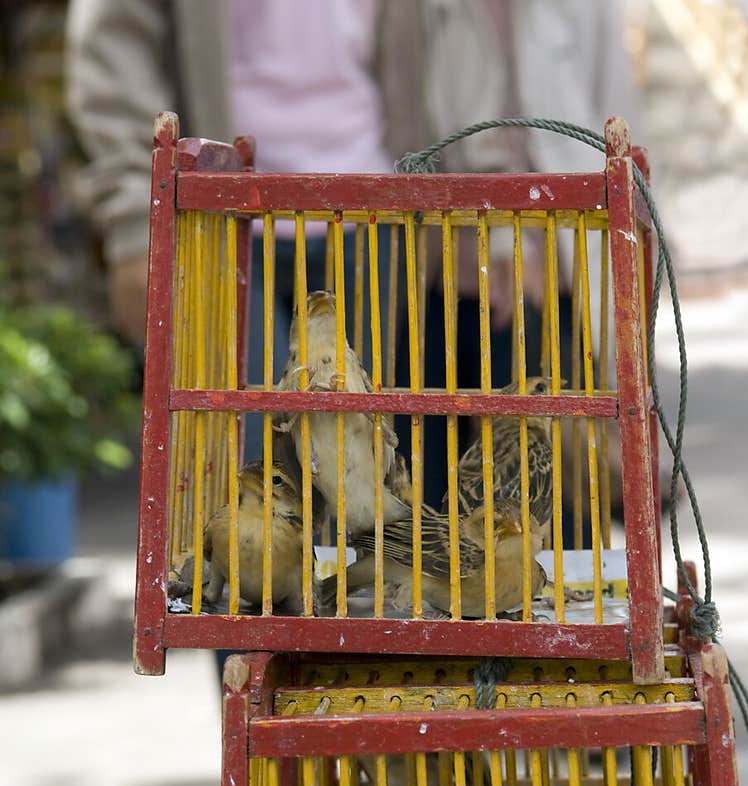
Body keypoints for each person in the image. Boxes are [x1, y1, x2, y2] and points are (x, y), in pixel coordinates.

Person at [65, 0, 643, 599]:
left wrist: (470, 217)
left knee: (366, 479)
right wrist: (133, 217)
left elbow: (456, 50)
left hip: (377, 211)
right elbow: (113, 46)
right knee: (243, 493)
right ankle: (258, 677)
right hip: (222, 216)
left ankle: (356, 674)